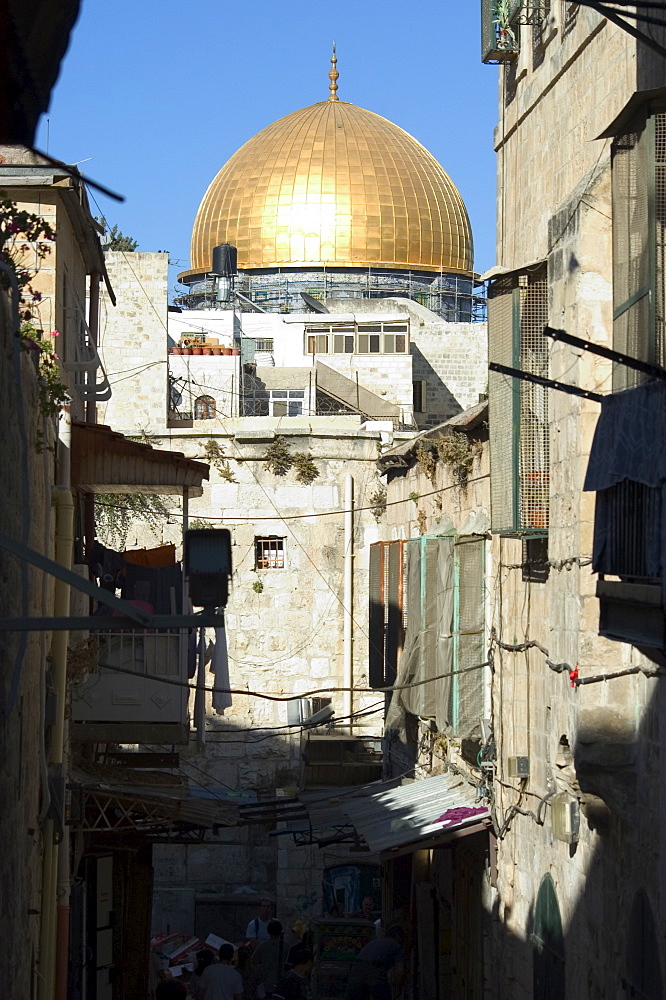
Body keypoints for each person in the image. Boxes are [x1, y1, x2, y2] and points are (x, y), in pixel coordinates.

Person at [345, 925, 405, 1000]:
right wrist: (399, 989)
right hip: (375, 969)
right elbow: (400, 972)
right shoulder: (397, 946)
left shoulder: (375, 942)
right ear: (398, 936)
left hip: (357, 967)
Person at [250, 919, 285, 995]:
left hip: (265, 985)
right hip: (282, 985)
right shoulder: (286, 947)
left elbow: (253, 962)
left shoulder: (262, 946)